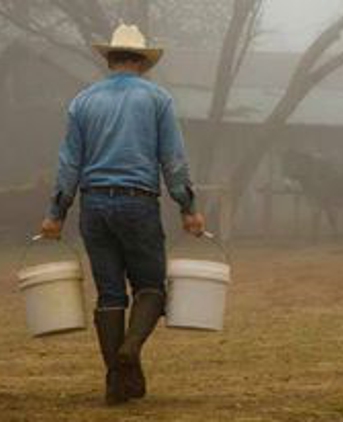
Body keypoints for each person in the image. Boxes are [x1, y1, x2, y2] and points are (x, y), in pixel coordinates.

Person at [40, 24, 205, 406]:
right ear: (143, 62)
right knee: (151, 287)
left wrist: (55, 213)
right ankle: (129, 350)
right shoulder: (158, 99)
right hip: (138, 202)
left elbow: (69, 164)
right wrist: (189, 208)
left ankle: (117, 382)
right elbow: (173, 160)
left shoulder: (82, 102)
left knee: (109, 294)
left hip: (93, 205)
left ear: (109, 59)